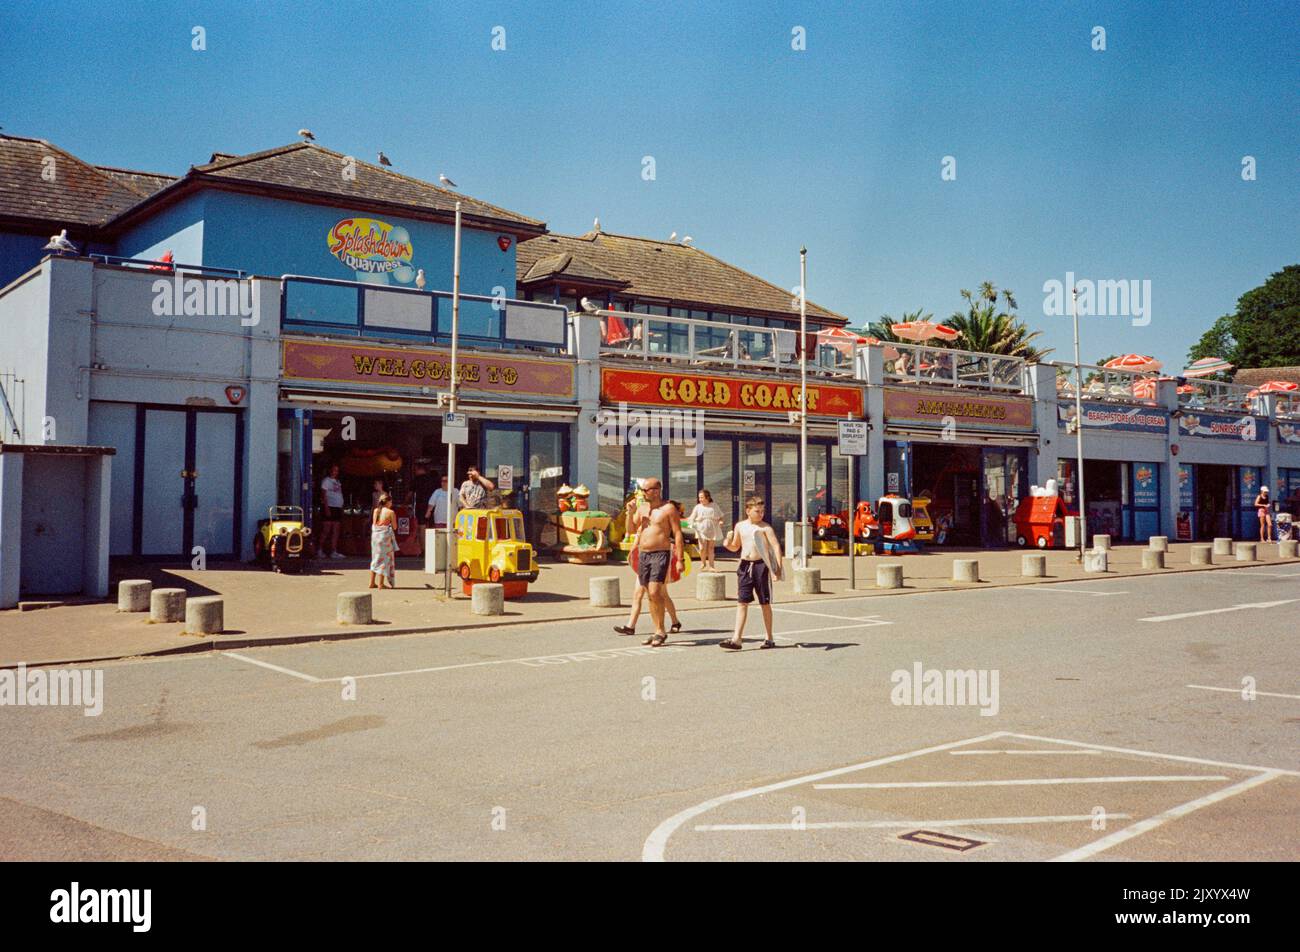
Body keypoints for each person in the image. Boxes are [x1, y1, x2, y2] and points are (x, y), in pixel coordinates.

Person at [719, 495, 783, 651]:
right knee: (742, 602)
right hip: (744, 566)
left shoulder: (765, 528)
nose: (760, 514)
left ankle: (769, 638)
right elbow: (735, 547)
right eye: (757, 511)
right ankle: (737, 639)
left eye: (762, 511)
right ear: (748, 511)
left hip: (761, 566)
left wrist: (777, 569)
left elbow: (775, 547)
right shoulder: (740, 526)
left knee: (764, 603)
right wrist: (727, 544)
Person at [628, 477, 683, 648]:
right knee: (649, 595)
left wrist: (679, 559)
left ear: (656, 490)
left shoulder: (668, 509)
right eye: (643, 490)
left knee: (654, 591)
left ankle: (661, 631)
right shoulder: (643, 508)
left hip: (661, 553)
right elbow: (630, 530)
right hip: (643, 554)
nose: (643, 493)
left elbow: (678, 533)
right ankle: (657, 630)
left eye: (646, 490)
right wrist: (630, 513)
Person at [689, 489, 724, 571]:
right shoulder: (697, 507)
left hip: (712, 529)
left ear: (707, 497)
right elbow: (691, 518)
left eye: (702, 497)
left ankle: (711, 566)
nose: (700, 499)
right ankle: (703, 563)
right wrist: (692, 525)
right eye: (699, 497)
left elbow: (721, 516)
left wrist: (721, 521)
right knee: (702, 548)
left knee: (711, 548)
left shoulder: (714, 505)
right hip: (701, 529)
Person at [369, 492, 397, 589]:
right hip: (384, 537)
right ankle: (381, 583)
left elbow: (374, 524)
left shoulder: (376, 510)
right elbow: (395, 527)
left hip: (375, 536)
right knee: (384, 559)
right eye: (391, 501)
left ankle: (372, 582)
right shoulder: (391, 512)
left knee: (375, 559)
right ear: (388, 502)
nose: (392, 503)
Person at [319, 463, 345, 559]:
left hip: (337, 507)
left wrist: (341, 506)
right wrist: (326, 508)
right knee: (326, 530)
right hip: (330, 507)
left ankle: (334, 551)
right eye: (334, 470)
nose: (335, 472)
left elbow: (339, 493)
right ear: (330, 470)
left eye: (337, 470)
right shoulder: (326, 481)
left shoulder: (338, 481)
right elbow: (323, 495)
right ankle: (319, 550)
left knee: (336, 530)